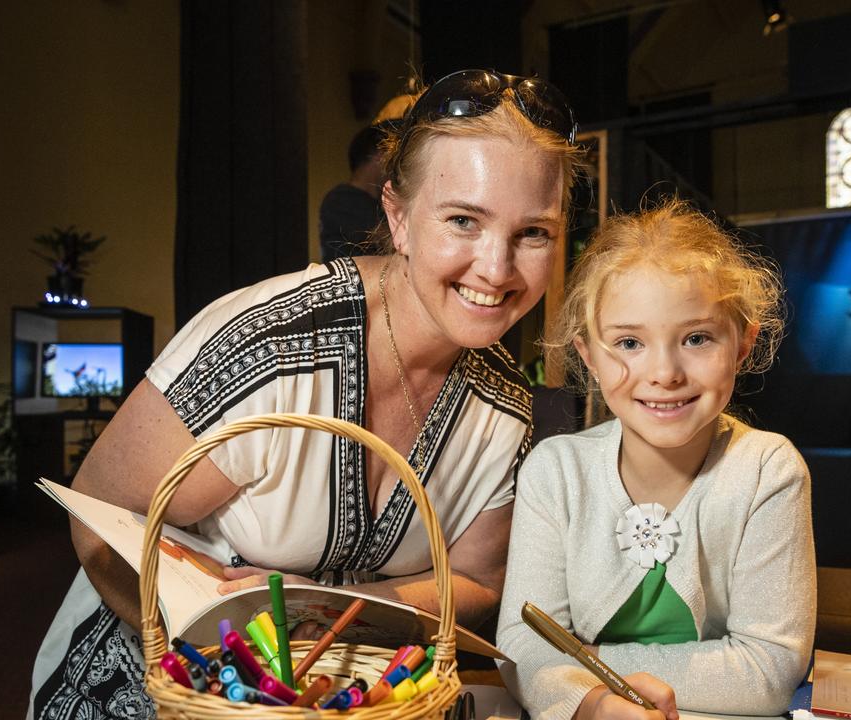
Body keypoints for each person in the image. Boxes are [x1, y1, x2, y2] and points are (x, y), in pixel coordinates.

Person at [29, 69, 582, 719]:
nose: (496, 268)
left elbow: (477, 582)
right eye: (464, 220)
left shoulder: (507, 406)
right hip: (171, 680)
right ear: (398, 218)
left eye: (534, 232)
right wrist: (230, 672)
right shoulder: (271, 348)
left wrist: (324, 609)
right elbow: (98, 515)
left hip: (344, 688)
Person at [496, 201, 815, 720]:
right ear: (589, 357)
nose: (664, 372)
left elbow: (770, 669)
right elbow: (521, 643)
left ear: (742, 345)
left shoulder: (767, 469)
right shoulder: (555, 472)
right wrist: (593, 705)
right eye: (629, 342)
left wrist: (590, 665)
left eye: (696, 338)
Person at [318, 123, 388, 262]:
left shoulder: (376, 201)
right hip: (352, 281)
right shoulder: (341, 199)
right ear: (379, 155)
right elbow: (390, 238)